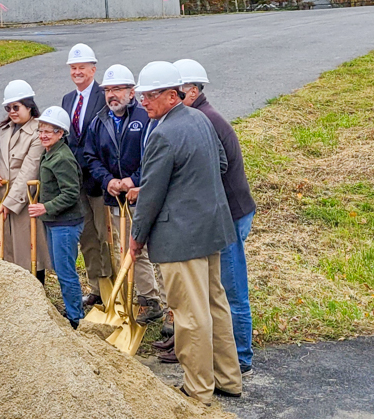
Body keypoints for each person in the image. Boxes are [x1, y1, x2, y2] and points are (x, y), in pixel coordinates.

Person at [129, 61, 242, 405]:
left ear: (170, 95)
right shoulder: (200, 119)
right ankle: (228, 379)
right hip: (210, 228)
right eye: (142, 96)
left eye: (149, 96)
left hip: (181, 238)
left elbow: (151, 195)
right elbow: (219, 165)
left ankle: (197, 389)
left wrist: (136, 238)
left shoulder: (164, 134)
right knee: (214, 305)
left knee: (190, 315)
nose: (143, 102)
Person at [176, 58, 258, 376]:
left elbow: (215, 170)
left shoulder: (206, 121)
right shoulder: (199, 116)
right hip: (222, 212)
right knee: (221, 287)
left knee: (232, 289)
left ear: (194, 91)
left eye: (178, 92)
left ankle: (241, 357)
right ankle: (226, 350)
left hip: (231, 215)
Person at [82, 64, 165, 324]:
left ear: (131, 92)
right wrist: (108, 181)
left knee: (158, 251)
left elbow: (155, 156)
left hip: (148, 195)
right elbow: (90, 156)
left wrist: (134, 179)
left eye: (118, 89)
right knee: (130, 249)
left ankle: (170, 306)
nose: (112, 95)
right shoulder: (99, 121)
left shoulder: (145, 119)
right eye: (108, 90)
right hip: (118, 199)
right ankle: (147, 300)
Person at [60, 43, 111, 308]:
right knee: (87, 237)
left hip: (100, 182)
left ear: (93, 69)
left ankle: (115, 290)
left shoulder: (105, 96)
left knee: (106, 237)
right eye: (73, 68)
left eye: (82, 67)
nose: (77, 72)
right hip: (76, 181)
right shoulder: (68, 100)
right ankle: (96, 288)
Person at [27, 106, 84, 329]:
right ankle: (72, 311)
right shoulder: (49, 152)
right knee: (60, 269)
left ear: (61, 133)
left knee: (65, 271)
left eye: (49, 131)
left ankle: (75, 319)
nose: (43, 135)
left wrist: (45, 207)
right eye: (41, 131)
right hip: (54, 222)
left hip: (65, 223)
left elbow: (71, 192)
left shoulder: (62, 158)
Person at [0, 80, 48, 281]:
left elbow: (29, 170)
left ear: (29, 105)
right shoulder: (3, 130)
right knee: (4, 249)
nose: (12, 112)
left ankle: (35, 292)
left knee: (29, 250)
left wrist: (10, 202)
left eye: (16, 107)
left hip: (25, 199)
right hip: (1, 196)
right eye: (8, 108)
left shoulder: (38, 132)